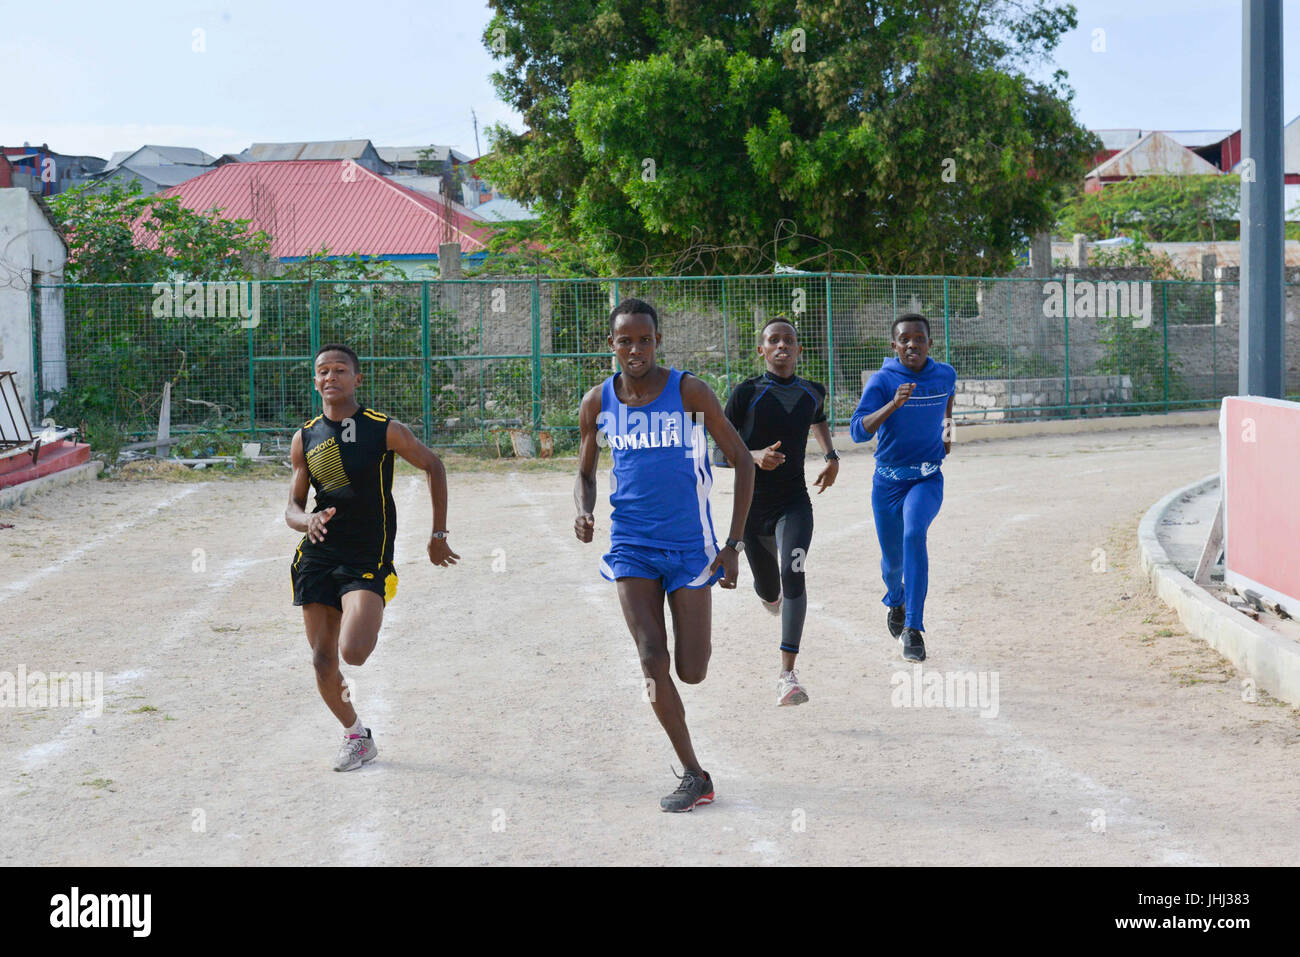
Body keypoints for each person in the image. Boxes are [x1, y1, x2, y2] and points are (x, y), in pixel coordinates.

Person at [574, 298, 755, 812]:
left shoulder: (690, 392)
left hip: (690, 547)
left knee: (691, 669)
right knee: (653, 659)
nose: (635, 349)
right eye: (625, 340)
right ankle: (695, 774)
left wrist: (733, 544)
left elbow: (742, 461)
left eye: (644, 339)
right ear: (611, 345)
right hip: (631, 545)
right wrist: (584, 510)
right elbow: (585, 473)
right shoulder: (597, 402)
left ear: (657, 342)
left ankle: (692, 659)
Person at [285, 344, 458, 771]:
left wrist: (437, 534)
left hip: (367, 554)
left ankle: (363, 602)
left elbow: (434, 466)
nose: (331, 377)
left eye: (340, 370)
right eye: (322, 371)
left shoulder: (384, 429)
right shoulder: (305, 437)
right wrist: (306, 520)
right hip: (319, 555)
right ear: (315, 381)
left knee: (354, 652)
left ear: (357, 379)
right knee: (322, 661)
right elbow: (291, 506)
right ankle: (356, 735)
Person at [718, 319, 838, 705]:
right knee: (771, 589)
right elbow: (718, 452)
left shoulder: (811, 391)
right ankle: (770, 598)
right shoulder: (745, 393)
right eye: (774, 340)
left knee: (794, 572)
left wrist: (831, 455)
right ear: (762, 350)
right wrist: (752, 456)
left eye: (789, 340)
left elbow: (817, 418)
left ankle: (787, 675)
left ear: (799, 350)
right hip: (751, 510)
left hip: (794, 504)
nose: (782, 345)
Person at [849, 314, 956, 663]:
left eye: (919, 339)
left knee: (914, 535)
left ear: (929, 343)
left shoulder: (945, 374)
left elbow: (949, 406)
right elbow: (857, 432)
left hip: (926, 479)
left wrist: (948, 437)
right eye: (904, 340)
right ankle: (895, 599)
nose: (913, 345)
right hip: (888, 483)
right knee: (892, 563)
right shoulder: (883, 380)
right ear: (893, 346)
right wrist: (893, 404)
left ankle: (913, 628)